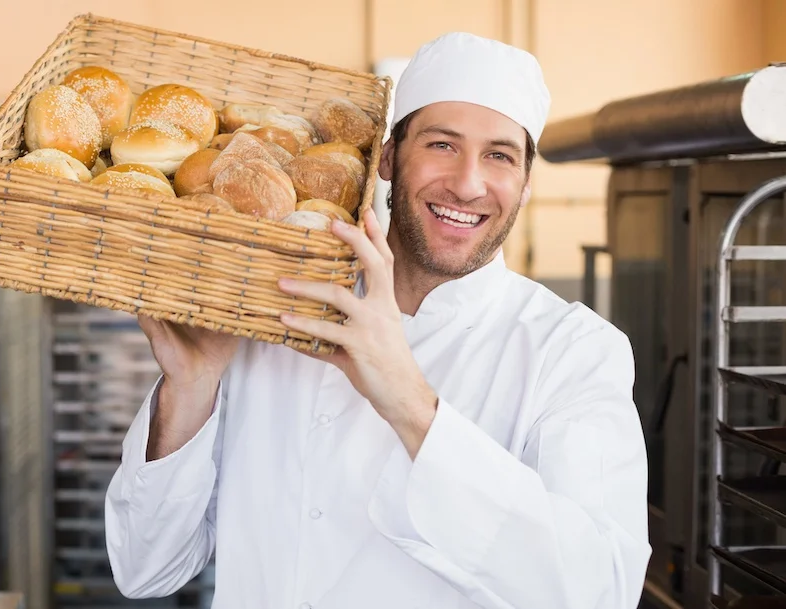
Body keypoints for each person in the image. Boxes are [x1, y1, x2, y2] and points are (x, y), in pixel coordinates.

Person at [104, 31, 651, 609]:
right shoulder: (277, 306)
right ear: (388, 157)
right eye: (442, 145)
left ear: (525, 183)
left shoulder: (571, 350)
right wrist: (190, 389)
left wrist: (412, 404)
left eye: (499, 155)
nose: (468, 183)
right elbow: (145, 570)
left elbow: (601, 591)